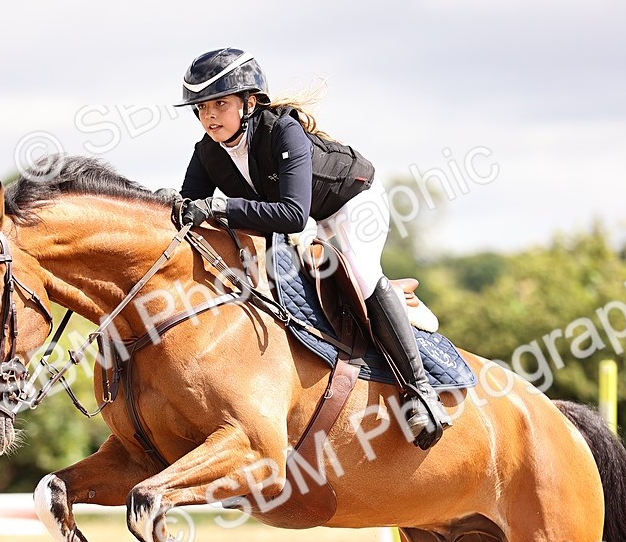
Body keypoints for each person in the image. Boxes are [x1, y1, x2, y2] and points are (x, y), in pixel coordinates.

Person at [176, 48, 449, 449]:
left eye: (220, 104)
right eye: (201, 108)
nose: (209, 116)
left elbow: (290, 214)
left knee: (359, 272)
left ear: (249, 103)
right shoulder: (207, 152)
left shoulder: (282, 131)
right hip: (305, 222)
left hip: (351, 204)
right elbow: (189, 210)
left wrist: (218, 206)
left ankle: (421, 391)